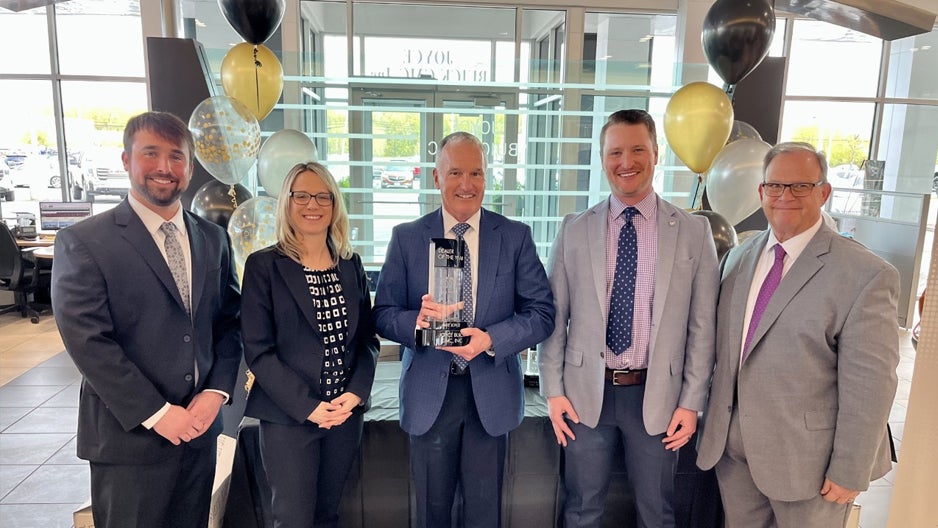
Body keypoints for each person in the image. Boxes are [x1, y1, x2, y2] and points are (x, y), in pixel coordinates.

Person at [51, 111, 242, 528]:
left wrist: (216, 393)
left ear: (190, 168)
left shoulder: (212, 239)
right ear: (125, 160)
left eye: (177, 157)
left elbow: (229, 323)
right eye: (150, 153)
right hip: (130, 440)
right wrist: (157, 412)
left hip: (198, 432)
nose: (164, 168)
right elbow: (88, 341)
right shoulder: (84, 241)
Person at [696, 142, 900, 527]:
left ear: (824, 192)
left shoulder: (865, 274)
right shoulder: (739, 258)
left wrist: (850, 467)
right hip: (734, 454)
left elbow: (871, 385)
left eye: (800, 186)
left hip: (810, 464)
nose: (785, 196)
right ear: (761, 192)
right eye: (775, 186)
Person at [538, 109, 719, 527]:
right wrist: (553, 390)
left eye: (638, 149)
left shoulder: (693, 232)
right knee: (582, 509)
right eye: (615, 151)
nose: (626, 162)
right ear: (602, 158)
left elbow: (703, 329)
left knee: (657, 513)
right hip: (585, 396)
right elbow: (555, 317)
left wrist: (691, 402)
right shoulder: (574, 229)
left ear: (656, 153)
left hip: (658, 396)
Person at [373, 131, 555, 528]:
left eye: (476, 173)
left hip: (490, 395)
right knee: (430, 513)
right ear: (437, 177)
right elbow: (383, 313)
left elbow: (543, 313)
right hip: (428, 395)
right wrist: (415, 321)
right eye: (455, 172)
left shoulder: (514, 236)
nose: (467, 184)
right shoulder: (406, 238)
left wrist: (493, 339)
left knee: (484, 513)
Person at [240, 162, 378, 528]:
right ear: (286, 202)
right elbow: (258, 350)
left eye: (322, 195)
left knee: (328, 514)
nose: (311, 204)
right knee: (293, 519)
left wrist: (356, 393)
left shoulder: (351, 264)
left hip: (344, 417)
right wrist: (308, 407)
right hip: (289, 418)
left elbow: (367, 340)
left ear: (334, 204)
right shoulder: (263, 266)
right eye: (301, 195)